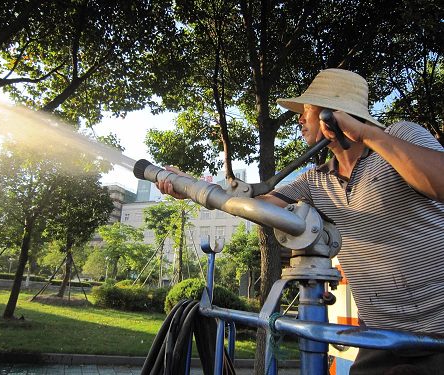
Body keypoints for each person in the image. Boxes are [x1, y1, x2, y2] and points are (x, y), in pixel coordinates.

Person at [156, 68, 444, 374]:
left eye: (307, 110)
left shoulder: (399, 137)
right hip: (381, 336)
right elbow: (255, 206)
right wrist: (191, 187)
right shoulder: (314, 180)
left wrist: (368, 134)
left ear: (334, 114)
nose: (299, 119)